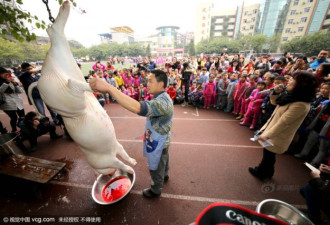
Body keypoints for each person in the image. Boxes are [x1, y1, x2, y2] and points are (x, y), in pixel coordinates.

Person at [90, 70, 174, 198]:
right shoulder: (161, 97)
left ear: (161, 84)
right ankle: (165, 175)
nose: (147, 84)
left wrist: (109, 88)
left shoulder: (163, 102)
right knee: (164, 159)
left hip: (158, 142)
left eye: (150, 81)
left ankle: (155, 190)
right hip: (162, 140)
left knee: (155, 165)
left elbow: (137, 108)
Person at [249, 72, 318, 180]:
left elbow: (284, 122)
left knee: (269, 154)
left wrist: (267, 135)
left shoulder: (300, 104)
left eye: (292, 80)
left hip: (278, 134)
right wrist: (275, 92)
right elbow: (275, 102)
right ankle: (267, 172)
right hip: (273, 130)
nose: (288, 82)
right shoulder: (292, 96)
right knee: (269, 154)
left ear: (301, 84)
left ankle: (262, 172)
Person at [0, 67, 25, 133]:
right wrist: (7, 82)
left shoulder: (10, 80)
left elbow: (20, 90)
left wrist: (15, 83)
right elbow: (0, 91)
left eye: (7, 74)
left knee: (22, 117)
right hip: (7, 104)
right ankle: (14, 130)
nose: (6, 75)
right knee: (14, 118)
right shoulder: (4, 82)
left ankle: (24, 130)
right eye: (4, 74)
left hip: (17, 102)